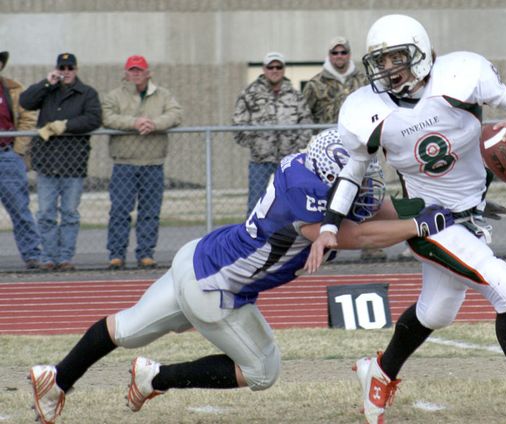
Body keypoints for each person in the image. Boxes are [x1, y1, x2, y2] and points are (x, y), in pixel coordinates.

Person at [27, 128, 454, 424]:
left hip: (198, 257)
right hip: (217, 289)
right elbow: (359, 233)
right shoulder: (305, 197)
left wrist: (439, 209)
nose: (363, 187)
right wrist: (420, 226)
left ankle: (57, 378)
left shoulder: (312, 169)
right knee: (263, 371)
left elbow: (375, 209)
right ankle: (155, 378)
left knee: (126, 328)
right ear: (329, 178)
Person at [306, 15, 506, 424]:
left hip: (471, 215)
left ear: (419, 52)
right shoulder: (366, 109)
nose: (389, 68)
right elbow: (353, 172)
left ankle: (379, 371)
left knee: (437, 312)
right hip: (429, 221)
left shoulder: (462, 74)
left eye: (397, 56)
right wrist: (329, 227)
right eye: (380, 60)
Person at [303, 36, 387, 262]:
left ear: (349, 54)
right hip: (327, 154)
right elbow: (304, 116)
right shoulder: (315, 83)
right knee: (330, 197)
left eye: (343, 52)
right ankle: (329, 243)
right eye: (335, 53)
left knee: (367, 196)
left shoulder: (364, 81)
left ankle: (371, 246)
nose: (339, 56)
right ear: (329, 55)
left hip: (358, 148)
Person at [19, 53, 101, 271]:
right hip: (47, 162)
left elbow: (94, 118)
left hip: (73, 163)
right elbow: (25, 101)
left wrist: (66, 125)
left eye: (70, 68)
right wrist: (47, 83)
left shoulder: (87, 93)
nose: (66, 72)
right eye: (62, 67)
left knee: (69, 214)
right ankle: (48, 257)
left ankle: (65, 258)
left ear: (76, 69)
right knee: (45, 213)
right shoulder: (48, 90)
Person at [101, 55, 183, 270]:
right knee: (120, 210)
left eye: (139, 70)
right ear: (126, 73)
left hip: (153, 162)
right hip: (124, 163)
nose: (135, 74)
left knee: (150, 211)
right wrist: (134, 123)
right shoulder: (114, 96)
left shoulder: (163, 94)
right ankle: (116, 254)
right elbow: (107, 117)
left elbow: (176, 114)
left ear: (148, 73)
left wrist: (154, 124)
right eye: (132, 70)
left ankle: (146, 253)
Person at [233, 51, 313, 216]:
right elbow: (238, 124)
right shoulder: (250, 94)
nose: (274, 70)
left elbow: (306, 123)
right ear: (264, 69)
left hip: (288, 160)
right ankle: (253, 240)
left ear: (284, 69)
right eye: (270, 67)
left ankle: (288, 240)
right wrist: (256, 145)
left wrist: (296, 148)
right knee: (256, 205)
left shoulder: (295, 95)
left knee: (291, 203)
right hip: (260, 161)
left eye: (278, 66)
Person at [0, 50, 42, 269]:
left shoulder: (13, 88)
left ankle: (32, 255)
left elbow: (27, 118)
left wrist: (18, 149)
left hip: (7, 156)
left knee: (20, 210)